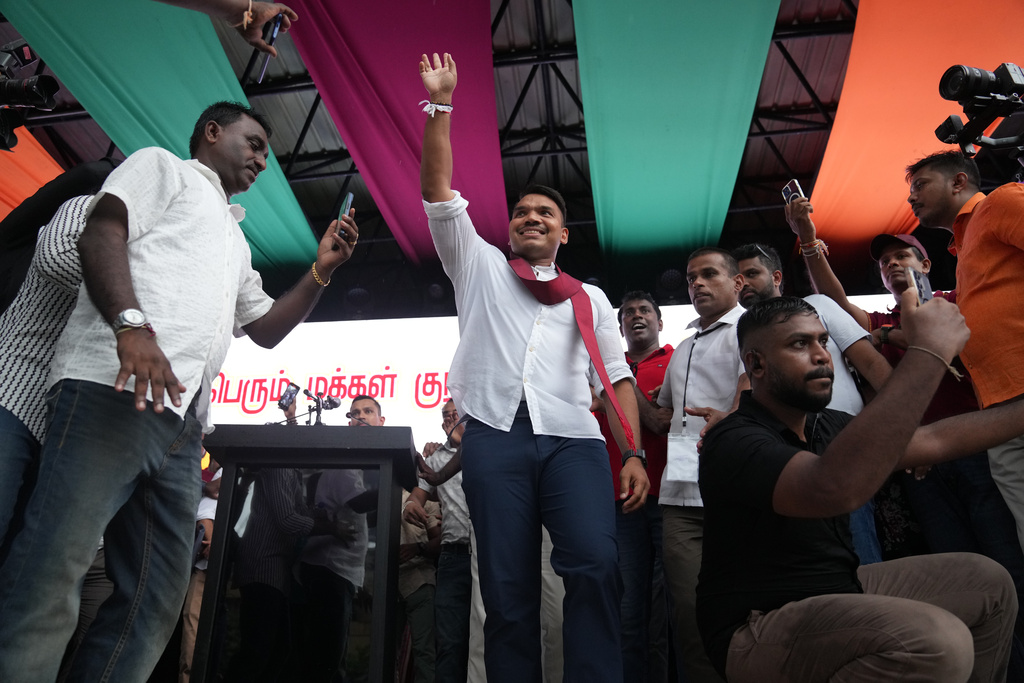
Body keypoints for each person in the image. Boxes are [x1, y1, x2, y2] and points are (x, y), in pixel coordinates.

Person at [0, 100, 358, 683]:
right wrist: (130, 325)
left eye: (266, 152)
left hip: (185, 426)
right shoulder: (159, 167)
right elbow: (101, 232)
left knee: (158, 596)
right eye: (253, 143)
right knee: (52, 570)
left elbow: (265, 330)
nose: (262, 158)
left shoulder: (237, 242)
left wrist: (321, 272)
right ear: (212, 132)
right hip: (112, 387)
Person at [419, 52, 648, 683]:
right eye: (522, 212)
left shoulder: (589, 297)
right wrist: (441, 105)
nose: (531, 218)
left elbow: (617, 380)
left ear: (563, 234)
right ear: (510, 226)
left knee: (596, 565)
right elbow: (437, 192)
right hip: (495, 434)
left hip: (574, 439)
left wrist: (631, 454)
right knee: (506, 588)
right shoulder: (480, 264)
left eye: (545, 214)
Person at [697, 295, 1024, 682]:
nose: (822, 355)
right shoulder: (733, 440)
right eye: (800, 344)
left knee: (987, 582)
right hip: (757, 626)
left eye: (823, 341)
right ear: (756, 364)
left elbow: (934, 440)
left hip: (838, 591)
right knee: (938, 640)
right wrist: (929, 351)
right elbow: (833, 487)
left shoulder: (827, 424)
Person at [732, 242, 892, 564]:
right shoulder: (750, 333)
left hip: (845, 448)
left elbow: (874, 366)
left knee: (859, 558)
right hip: (784, 461)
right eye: (737, 278)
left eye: (751, 273)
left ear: (777, 276)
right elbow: (746, 390)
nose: (743, 283)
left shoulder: (818, 305)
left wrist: (905, 425)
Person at [651, 247, 745, 683]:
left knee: (748, 609)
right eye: (691, 278)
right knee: (689, 614)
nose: (698, 284)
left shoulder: (752, 328)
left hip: (739, 492)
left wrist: (735, 420)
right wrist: (618, 384)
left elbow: (762, 394)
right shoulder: (682, 347)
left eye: (710, 274)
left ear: (737, 283)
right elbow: (662, 416)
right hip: (680, 497)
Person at [594, 292, 675, 682]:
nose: (636, 317)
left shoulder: (678, 361)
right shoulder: (601, 369)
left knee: (676, 606)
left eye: (645, 311)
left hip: (673, 499)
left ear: (660, 323)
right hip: (619, 502)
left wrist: (615, 390)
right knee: (628, 612)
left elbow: (662, 422)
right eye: (627, 313)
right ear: (619, 326)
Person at [297, 396, 377, 683]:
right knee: (327, 660)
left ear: (382, 422)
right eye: (355, 413)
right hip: (328, 572)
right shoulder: (346, 461)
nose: (361, 416)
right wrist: (401, 481)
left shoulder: (361, 464)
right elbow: (357, 503)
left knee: (332, 654)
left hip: (340, 574)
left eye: (368, 411)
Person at [404, 400, 474, 682]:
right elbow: (416, 496)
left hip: (490, 556)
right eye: (447, 415)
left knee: (491, 638)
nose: (452, 419)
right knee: (450, 644)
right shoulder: (435, 460)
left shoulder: (488, 448)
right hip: (453, 559)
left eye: (457, 413)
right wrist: (410, 505)